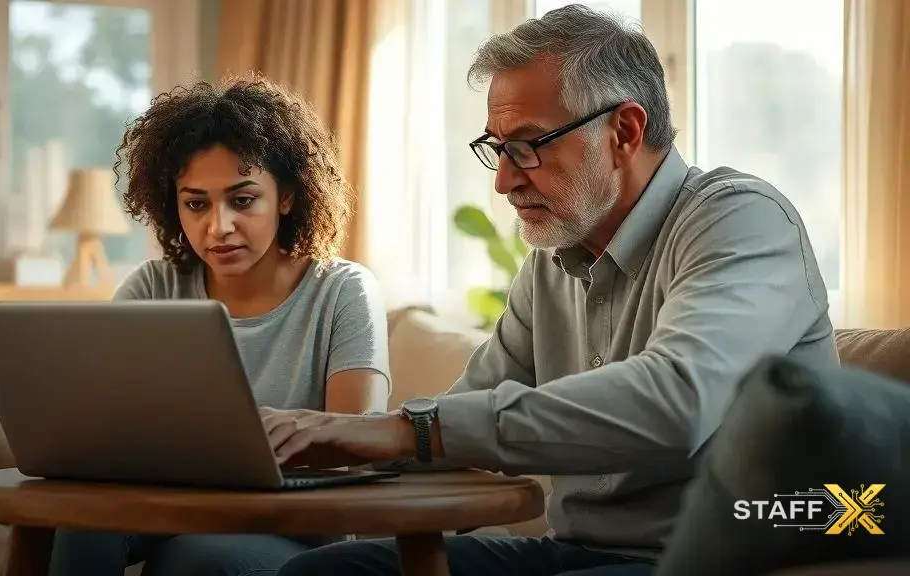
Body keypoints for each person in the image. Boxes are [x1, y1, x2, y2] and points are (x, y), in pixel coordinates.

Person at [266, 5, 839, 576]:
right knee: (322, 574)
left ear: (625, 131)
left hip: (729, 557)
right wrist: (300, 453)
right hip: (578, 553)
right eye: (497, 147)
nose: (504, 180)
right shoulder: (550, 265)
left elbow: (677, 400)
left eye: (527, 145)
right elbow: (458, 426)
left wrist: (411, 430)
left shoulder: (741, 219)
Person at [47, 76, 392, 576]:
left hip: (295, 526)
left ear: (288, 196)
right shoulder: (153, 287)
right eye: (196, 203)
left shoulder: (343, 291)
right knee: (81, 520)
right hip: (172, 508)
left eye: (243, 200)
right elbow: (99, 430)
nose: (218, 226)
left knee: (194, 557)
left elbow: (354, 447)